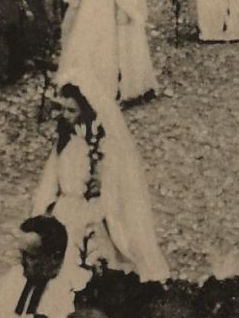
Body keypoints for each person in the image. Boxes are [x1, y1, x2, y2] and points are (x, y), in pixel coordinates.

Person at [30, 73, 169, 281]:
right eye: (63, 109)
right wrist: (42, 211)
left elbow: (113, 188)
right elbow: (50, 181)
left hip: (90, 214)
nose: (65, 115)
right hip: (63, 211)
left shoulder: (103, 146)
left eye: (71, 110)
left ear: (86, 112)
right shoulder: (64, 142)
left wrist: (97, 205)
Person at [0, 215, 91, 318]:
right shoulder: (14, 278)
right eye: (22, 254)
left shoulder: (77, 288)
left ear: (55, 258)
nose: (22, 262)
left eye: (31, 257)